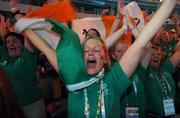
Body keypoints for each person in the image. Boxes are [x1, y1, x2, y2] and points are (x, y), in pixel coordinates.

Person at [16, 0, 176, 117]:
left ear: (105, 58)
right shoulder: (72, 75)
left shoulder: (114, 80)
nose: (90, 52)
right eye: (86, 50)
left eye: (96, 49)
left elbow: (141, 43)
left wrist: (169, 3)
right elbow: (45, 47)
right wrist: (21, 22)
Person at [0, 32, 47, 118]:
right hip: (12, 107)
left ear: (22, 44)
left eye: (15, 41)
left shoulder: (28, 56)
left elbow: (28, 39)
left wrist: (22, 25)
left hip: (32, 105)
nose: (11, 44)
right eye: (8, 42)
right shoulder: (3, 56)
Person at [144, 44, 180, 117]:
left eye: (158, 54)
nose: (156, 56)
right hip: (152, 115)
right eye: (152, 54)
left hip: (170, 113)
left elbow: (178, 53)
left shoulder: (166, 67)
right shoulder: (144, 72)